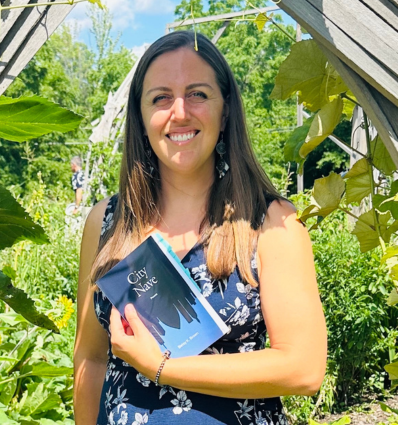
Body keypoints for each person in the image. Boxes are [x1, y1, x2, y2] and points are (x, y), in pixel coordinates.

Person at [73, 31, 327, 425]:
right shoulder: (108, 223)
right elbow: (90, 358)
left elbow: (303, 368)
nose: (180, 112)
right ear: (140, 118)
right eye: (160, 97)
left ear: (225, 111)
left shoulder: (271, 224)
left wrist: (160, 366)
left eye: (198, 94)